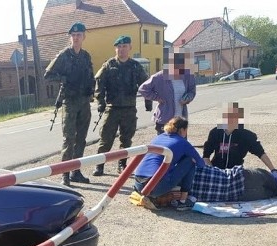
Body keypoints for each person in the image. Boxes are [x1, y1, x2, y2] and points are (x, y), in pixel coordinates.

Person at [45, 22, 94, 186]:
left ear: (84, 37)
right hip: (70, 102)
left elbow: (91, 76)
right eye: (73, 35)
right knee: (69, 139)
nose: (76, 38)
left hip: (84, 102)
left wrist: (91, 90)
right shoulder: (64, 55)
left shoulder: (86, 56)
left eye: (79, 35)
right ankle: (65, 174)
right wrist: (64, 79)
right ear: (70, 37)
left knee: (81, 139)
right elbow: (48, 74)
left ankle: (76, 171)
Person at [91, 35, 148, 176]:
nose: (121, 50)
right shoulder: (109, 65)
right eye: (119, 47)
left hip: (129, 108)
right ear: (115, 48)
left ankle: (122, 165)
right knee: (106, 139)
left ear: (130, 48)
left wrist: (148, 101)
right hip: (112, 108)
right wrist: (100, 102)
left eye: (124, 46)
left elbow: (145, 85)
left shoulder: (135, 66)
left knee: (126, 139)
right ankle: (99, 165)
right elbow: (99, 84)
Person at [132, 116, 203, 210]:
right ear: (182, 130)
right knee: (190, 161)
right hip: (154, 186)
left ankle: (152, 197)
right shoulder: (183, 142)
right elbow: (201, 164)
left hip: (138, 184)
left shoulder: (158, 138)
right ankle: (183, 201)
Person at [202, 102, 277, 183]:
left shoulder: (246, 135)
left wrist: (273, 170)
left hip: (235, 173)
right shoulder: (215, 132)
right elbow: (206, 157)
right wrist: (213, 173)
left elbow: (261, 153)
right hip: (216, 170)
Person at [138, 50, 197, 133]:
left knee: (180, 144)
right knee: (164, 144)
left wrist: (188, 98)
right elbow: (143, 89)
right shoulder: (159, 77)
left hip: (181, 120)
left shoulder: (188, 76)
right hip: (165, 120)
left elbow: (192, 91)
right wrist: (157, 97)